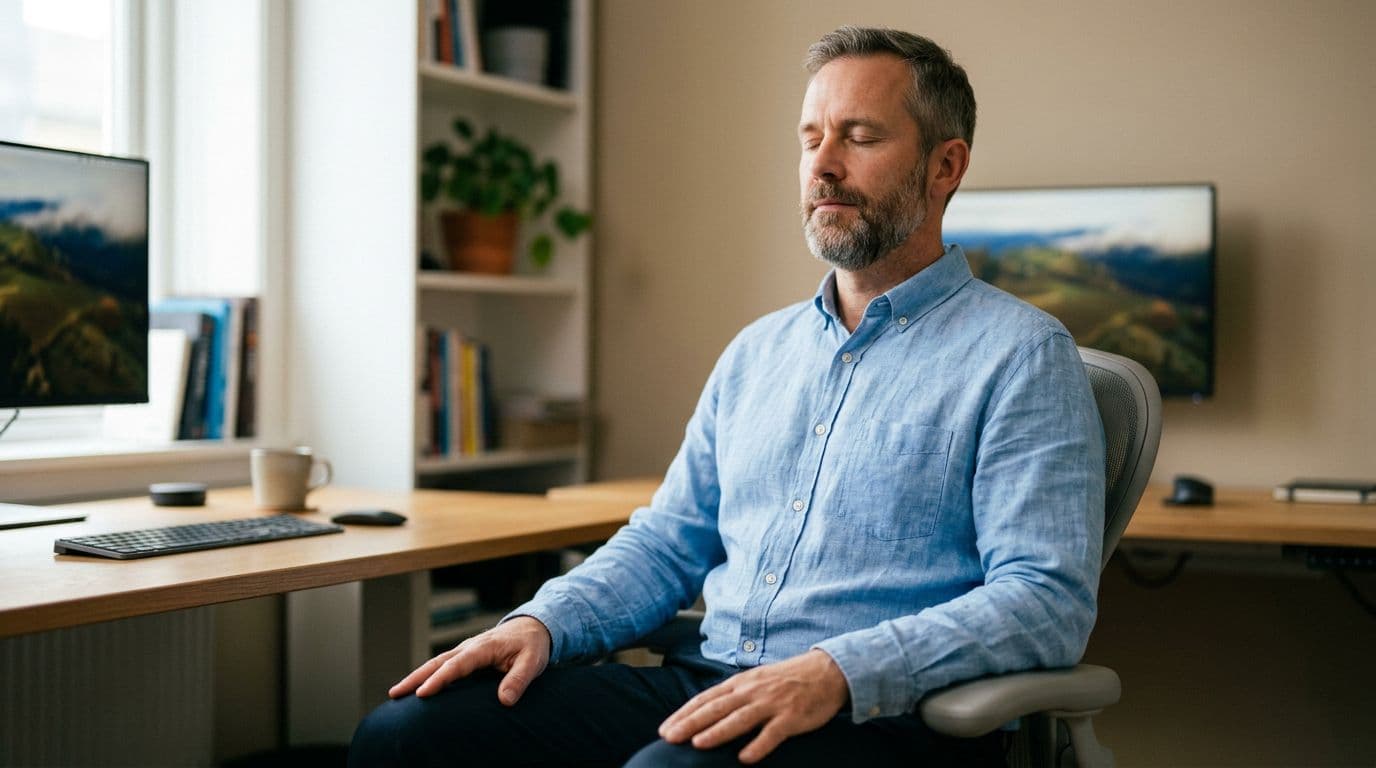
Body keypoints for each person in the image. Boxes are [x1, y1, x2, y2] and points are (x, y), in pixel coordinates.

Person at [350, 25, 1105, 768]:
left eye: (861, 137)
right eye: (811, 138)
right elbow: (669, 543)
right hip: (708, 683)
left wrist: (838, 671)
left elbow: (1045, 602)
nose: (824, 166)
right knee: (408, 734)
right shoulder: (757, 354)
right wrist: (544, 622)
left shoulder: (1023, 357)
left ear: (945, 166)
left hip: (879, 718)